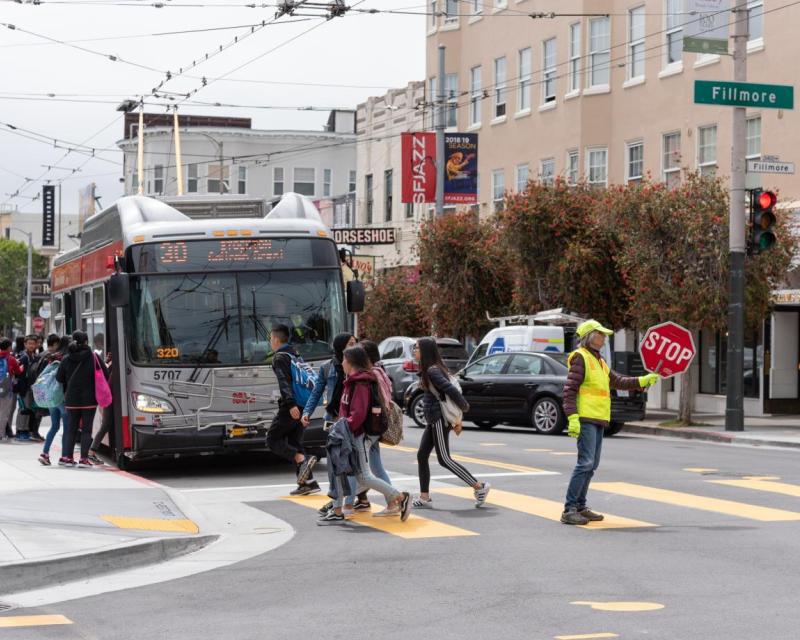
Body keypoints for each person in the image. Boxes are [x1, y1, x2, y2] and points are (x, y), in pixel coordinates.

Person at [561, 320, 659, 525]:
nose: (604, 337)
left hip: (598, 418)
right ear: (590, 336)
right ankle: (569, 509)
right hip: (586, 418)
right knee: (585, 463)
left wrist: (641, 381)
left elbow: (617, 380)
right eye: (601, 334)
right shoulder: (580, 358)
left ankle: (580, 506)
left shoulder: (599, 360)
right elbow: (569, 390)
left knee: (592, 465)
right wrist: (572, 417)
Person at [318, 345, 410, 525]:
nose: (342, 363)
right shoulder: (352, 380)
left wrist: (344, 428)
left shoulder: (361, 383)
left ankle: (399, 497)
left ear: (351, 362)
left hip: (355, 435)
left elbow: (358, 414)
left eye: (344, 360)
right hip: (350, 433)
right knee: (353, 474)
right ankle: (338, 510)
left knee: (364, 476)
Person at [413, 337, 489, 509]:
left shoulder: (432, 371)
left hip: (439, 418)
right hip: (433, 419)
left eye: (416, 348)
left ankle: (479, 486)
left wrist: (463, 407)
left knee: (444, 459)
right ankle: (424, 496)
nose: (414, 351)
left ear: (425, 351)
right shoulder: (428, 369)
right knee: (422, 455)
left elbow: (449, 389)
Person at [301, 332, 358, 513]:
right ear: (340, 346)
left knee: (351, 462)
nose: (353, 347)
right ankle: (336, 500)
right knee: (334, 463)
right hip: (332, 419)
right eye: (350, 344)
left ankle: (348, 501)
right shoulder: (328, 367)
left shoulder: (358, 366)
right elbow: (317, 391)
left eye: (355, 343)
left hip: (350, 420)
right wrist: (307, 412)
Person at [267, 324, 318, 495]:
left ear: (275, 339)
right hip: (306, 404)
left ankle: (302, 459)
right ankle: (308, 482)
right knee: (295, 442)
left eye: (270, 339)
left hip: (293, 405)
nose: (270, 342)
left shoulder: (279, 357)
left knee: (272, 439)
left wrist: (290, 404)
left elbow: (284, 382)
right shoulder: (295, 355)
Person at [56, 330, 108, 468]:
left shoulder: (66, 358)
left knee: (71, 429)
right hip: (89, 400)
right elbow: (106, 374)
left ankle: (67, 457)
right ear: (86, 341)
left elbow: (59, 378)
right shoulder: (93, 357)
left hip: (71, 400)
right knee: (86, 429)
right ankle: (84, 459)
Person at [38, 334, 66, 466]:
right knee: (67, 427)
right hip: (59, 397)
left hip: (50, 397)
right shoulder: (61, 358)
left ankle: (45, 453)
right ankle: (65, 456)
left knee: (54, 426)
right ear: (56, 344)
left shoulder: (46, 357)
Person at [87, 351, 114, 465]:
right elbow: (111, 384)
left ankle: (91, 451)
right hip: (109, 399)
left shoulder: (110, 365)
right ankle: (91, 452)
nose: (107, 356)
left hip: (107, 399)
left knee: (106, 424)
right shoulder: (112, 366)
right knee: (106, 425)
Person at [15, 334, 43, 442]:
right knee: (23, 409)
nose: (31, 345)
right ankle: (20, 430)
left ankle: (25, 430)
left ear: (36, 345)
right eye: (29, 343)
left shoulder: (34, 356)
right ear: (25, 344)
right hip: (24, 388)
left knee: (28, 409)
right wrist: (21, 390)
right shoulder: (23, 357)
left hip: (31, 388)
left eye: (33, 343)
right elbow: (20, 375)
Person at [0, 338, 22, 441]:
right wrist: (20, 367)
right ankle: (1, 434)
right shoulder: (11, 359)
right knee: (4, 412)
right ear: (9, 347)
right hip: (6, 389)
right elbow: (18, 372)